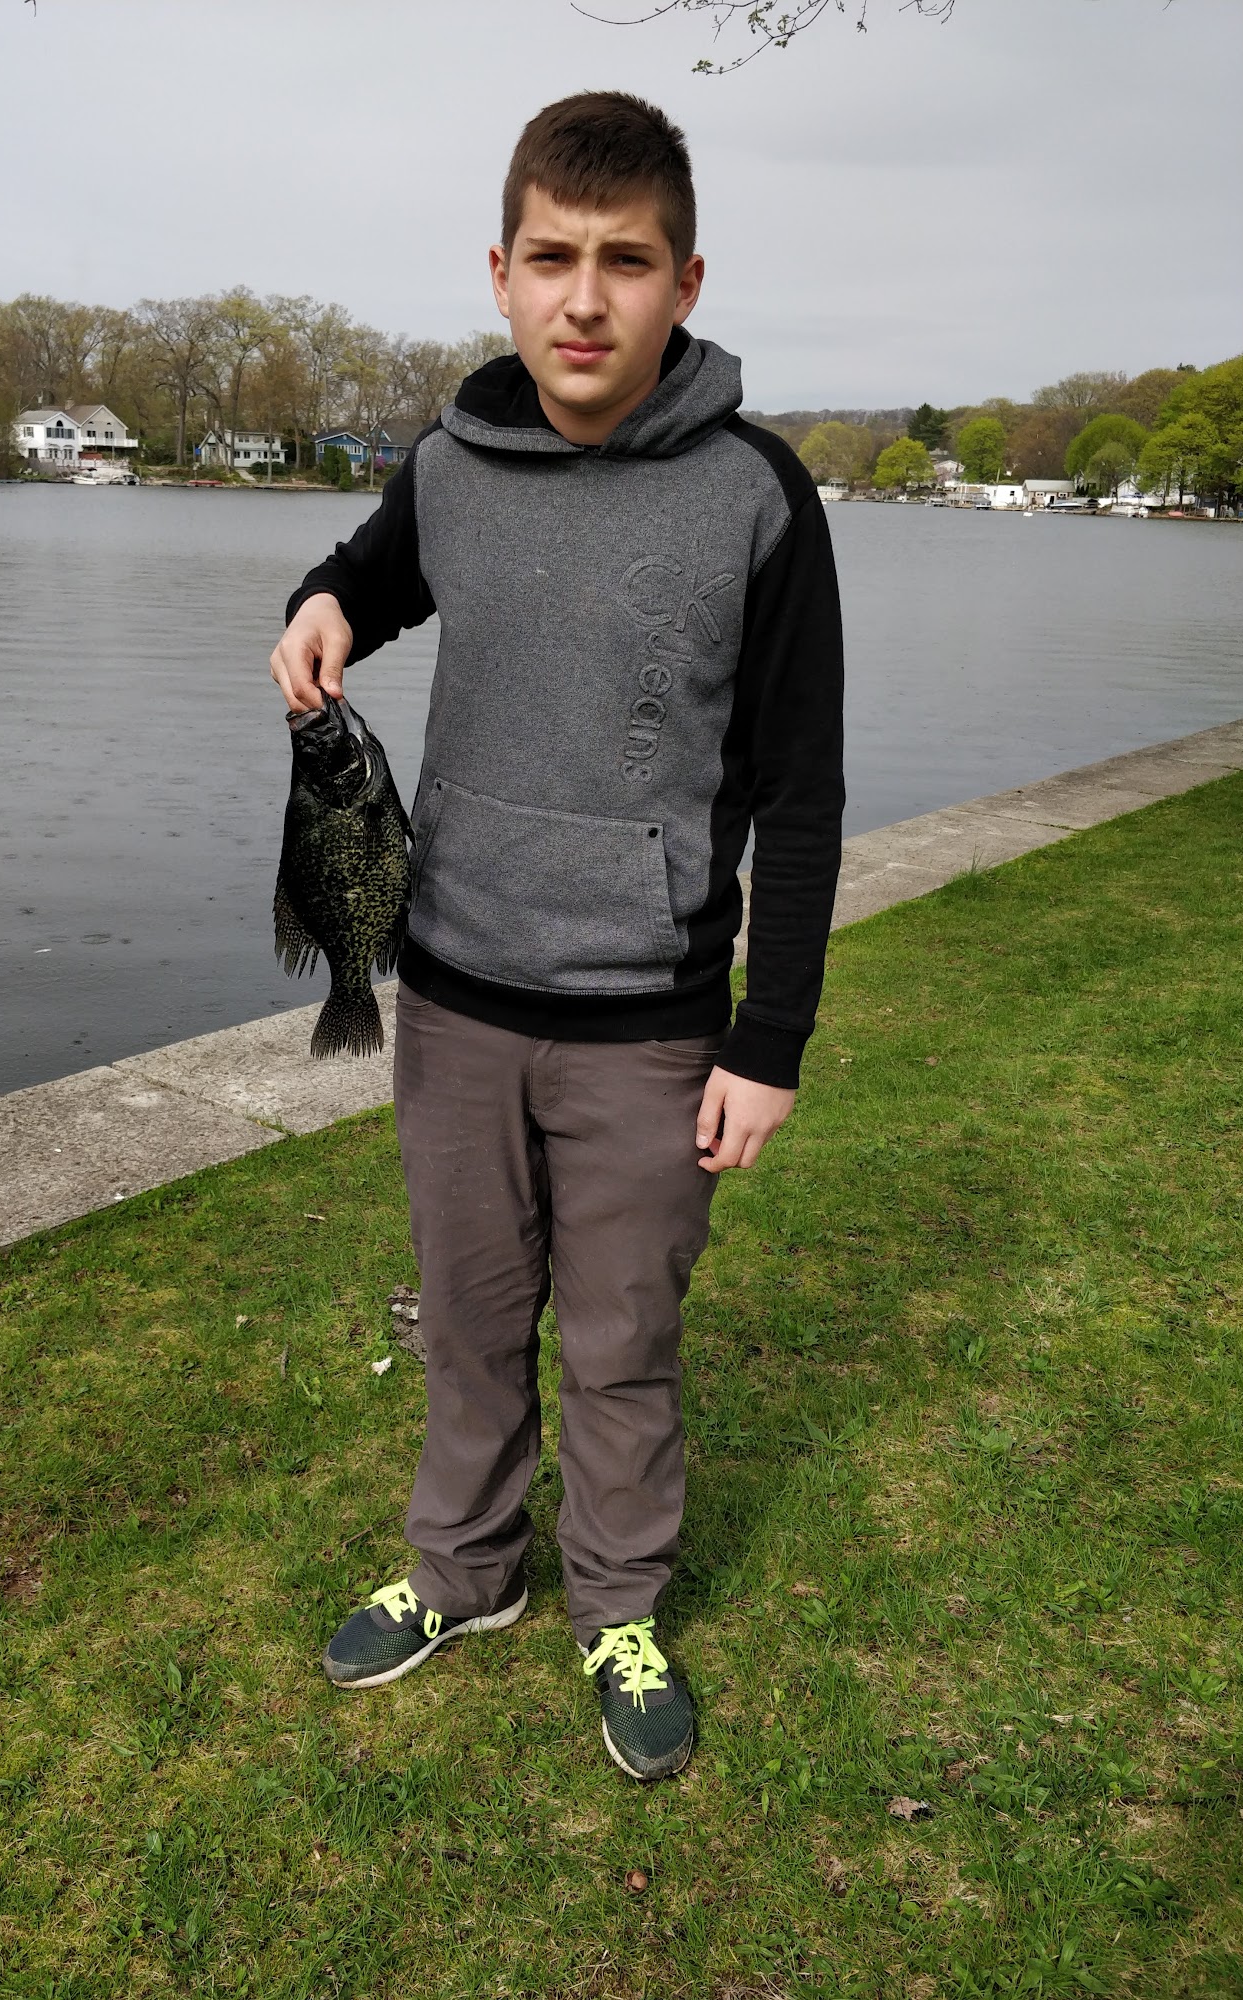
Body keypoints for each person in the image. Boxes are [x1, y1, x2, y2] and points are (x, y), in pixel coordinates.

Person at [270, 91, 844, 1782]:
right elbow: (370, 574)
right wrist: (319, 605)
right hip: (452, 1003)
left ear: (685, 283)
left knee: (621, 1343)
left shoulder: (759, 494)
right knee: (467, 1318)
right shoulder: (452, 463)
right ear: (501, 274)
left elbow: (803, 791)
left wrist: (769, 1038)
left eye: (626, 262)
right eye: (552, 259)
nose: (584, 299)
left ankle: (620, 1603)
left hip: (650, 1028)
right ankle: (467, 1572)